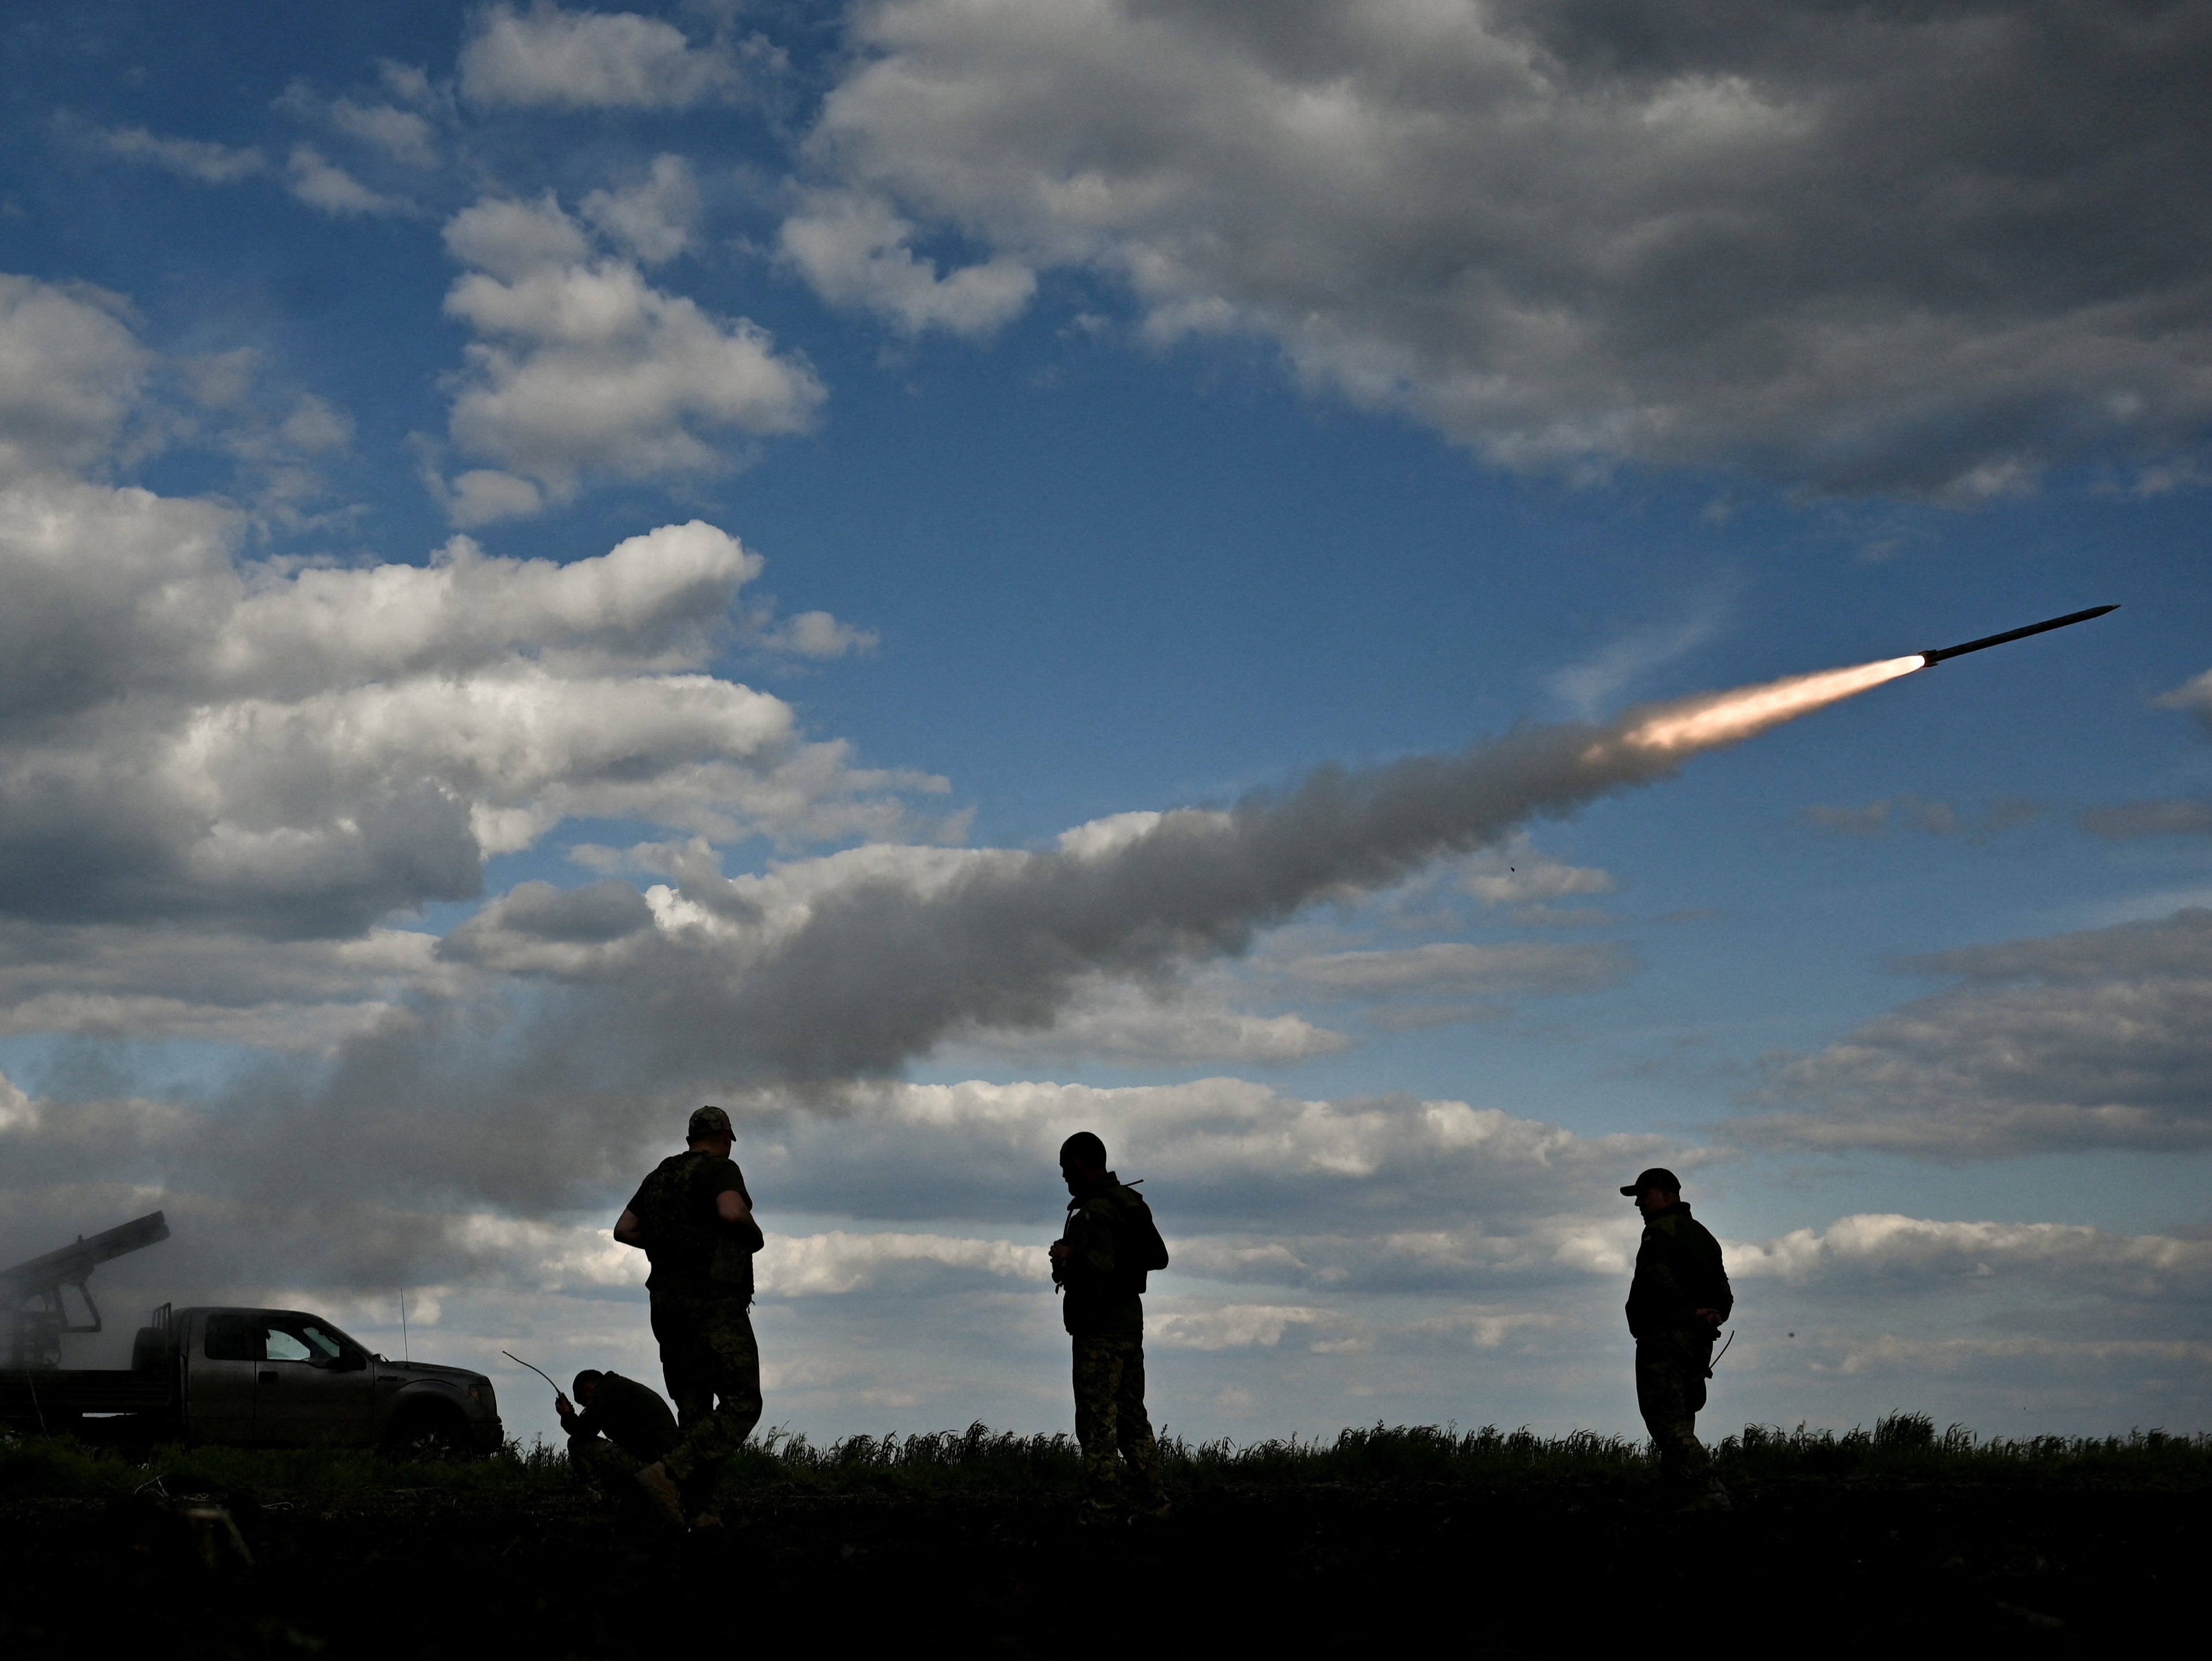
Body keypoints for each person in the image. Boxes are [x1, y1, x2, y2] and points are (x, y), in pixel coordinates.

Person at [613, 1104, 766, 1528]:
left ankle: (701, 1511)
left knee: (694, 1410)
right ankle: (668, 1474)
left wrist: (667, 1245)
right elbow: (732, 1212)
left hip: (666, 1304)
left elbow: (624, 1229)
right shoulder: (720, 1170)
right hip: (713, 1302)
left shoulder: (660, 1176)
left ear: (688, 1138)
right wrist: (754, 1236)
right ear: (724, 1138)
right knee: (741, 1402)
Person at [1048, 1131, 1170, 1518]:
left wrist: (1070, 1254)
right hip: (1128, 1327)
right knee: (1132, 1416)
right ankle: (1154, 1500)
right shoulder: (1130, 1204)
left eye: (1067, 1169)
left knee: (1097, 1419)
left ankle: (1103, 1503)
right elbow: (1158, 1257)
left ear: (1081, 1165)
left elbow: (1098, 1269)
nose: (1066, 1177)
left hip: (1098, 1329)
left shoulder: (1095, 1212)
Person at [1621, 1165, 1733, 1510]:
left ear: (1667, 1195)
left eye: (1644, 1195)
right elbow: (1723, 1293)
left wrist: (1687, 1314)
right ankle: (1678, 1495)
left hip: (1665, 1339)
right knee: (1682, 1416)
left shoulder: (1659, 1232)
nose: (1638, 1203)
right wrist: (1713, 1313)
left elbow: (1658, 1282)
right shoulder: (1703, 1235)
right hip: (1698, 1344)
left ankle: (1708, 1491)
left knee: (1665, 1421)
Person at [555, 1368, 679, 1496]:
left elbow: (582, 1432)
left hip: (653, 1465)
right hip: (665, 1460)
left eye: (585, 1403)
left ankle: (600, 1496)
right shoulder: (617, 1387)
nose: (587, 1406)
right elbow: (591, 1428)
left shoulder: (604, 1392)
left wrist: (567, 1415)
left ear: (588, 1390)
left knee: (575, 1444)